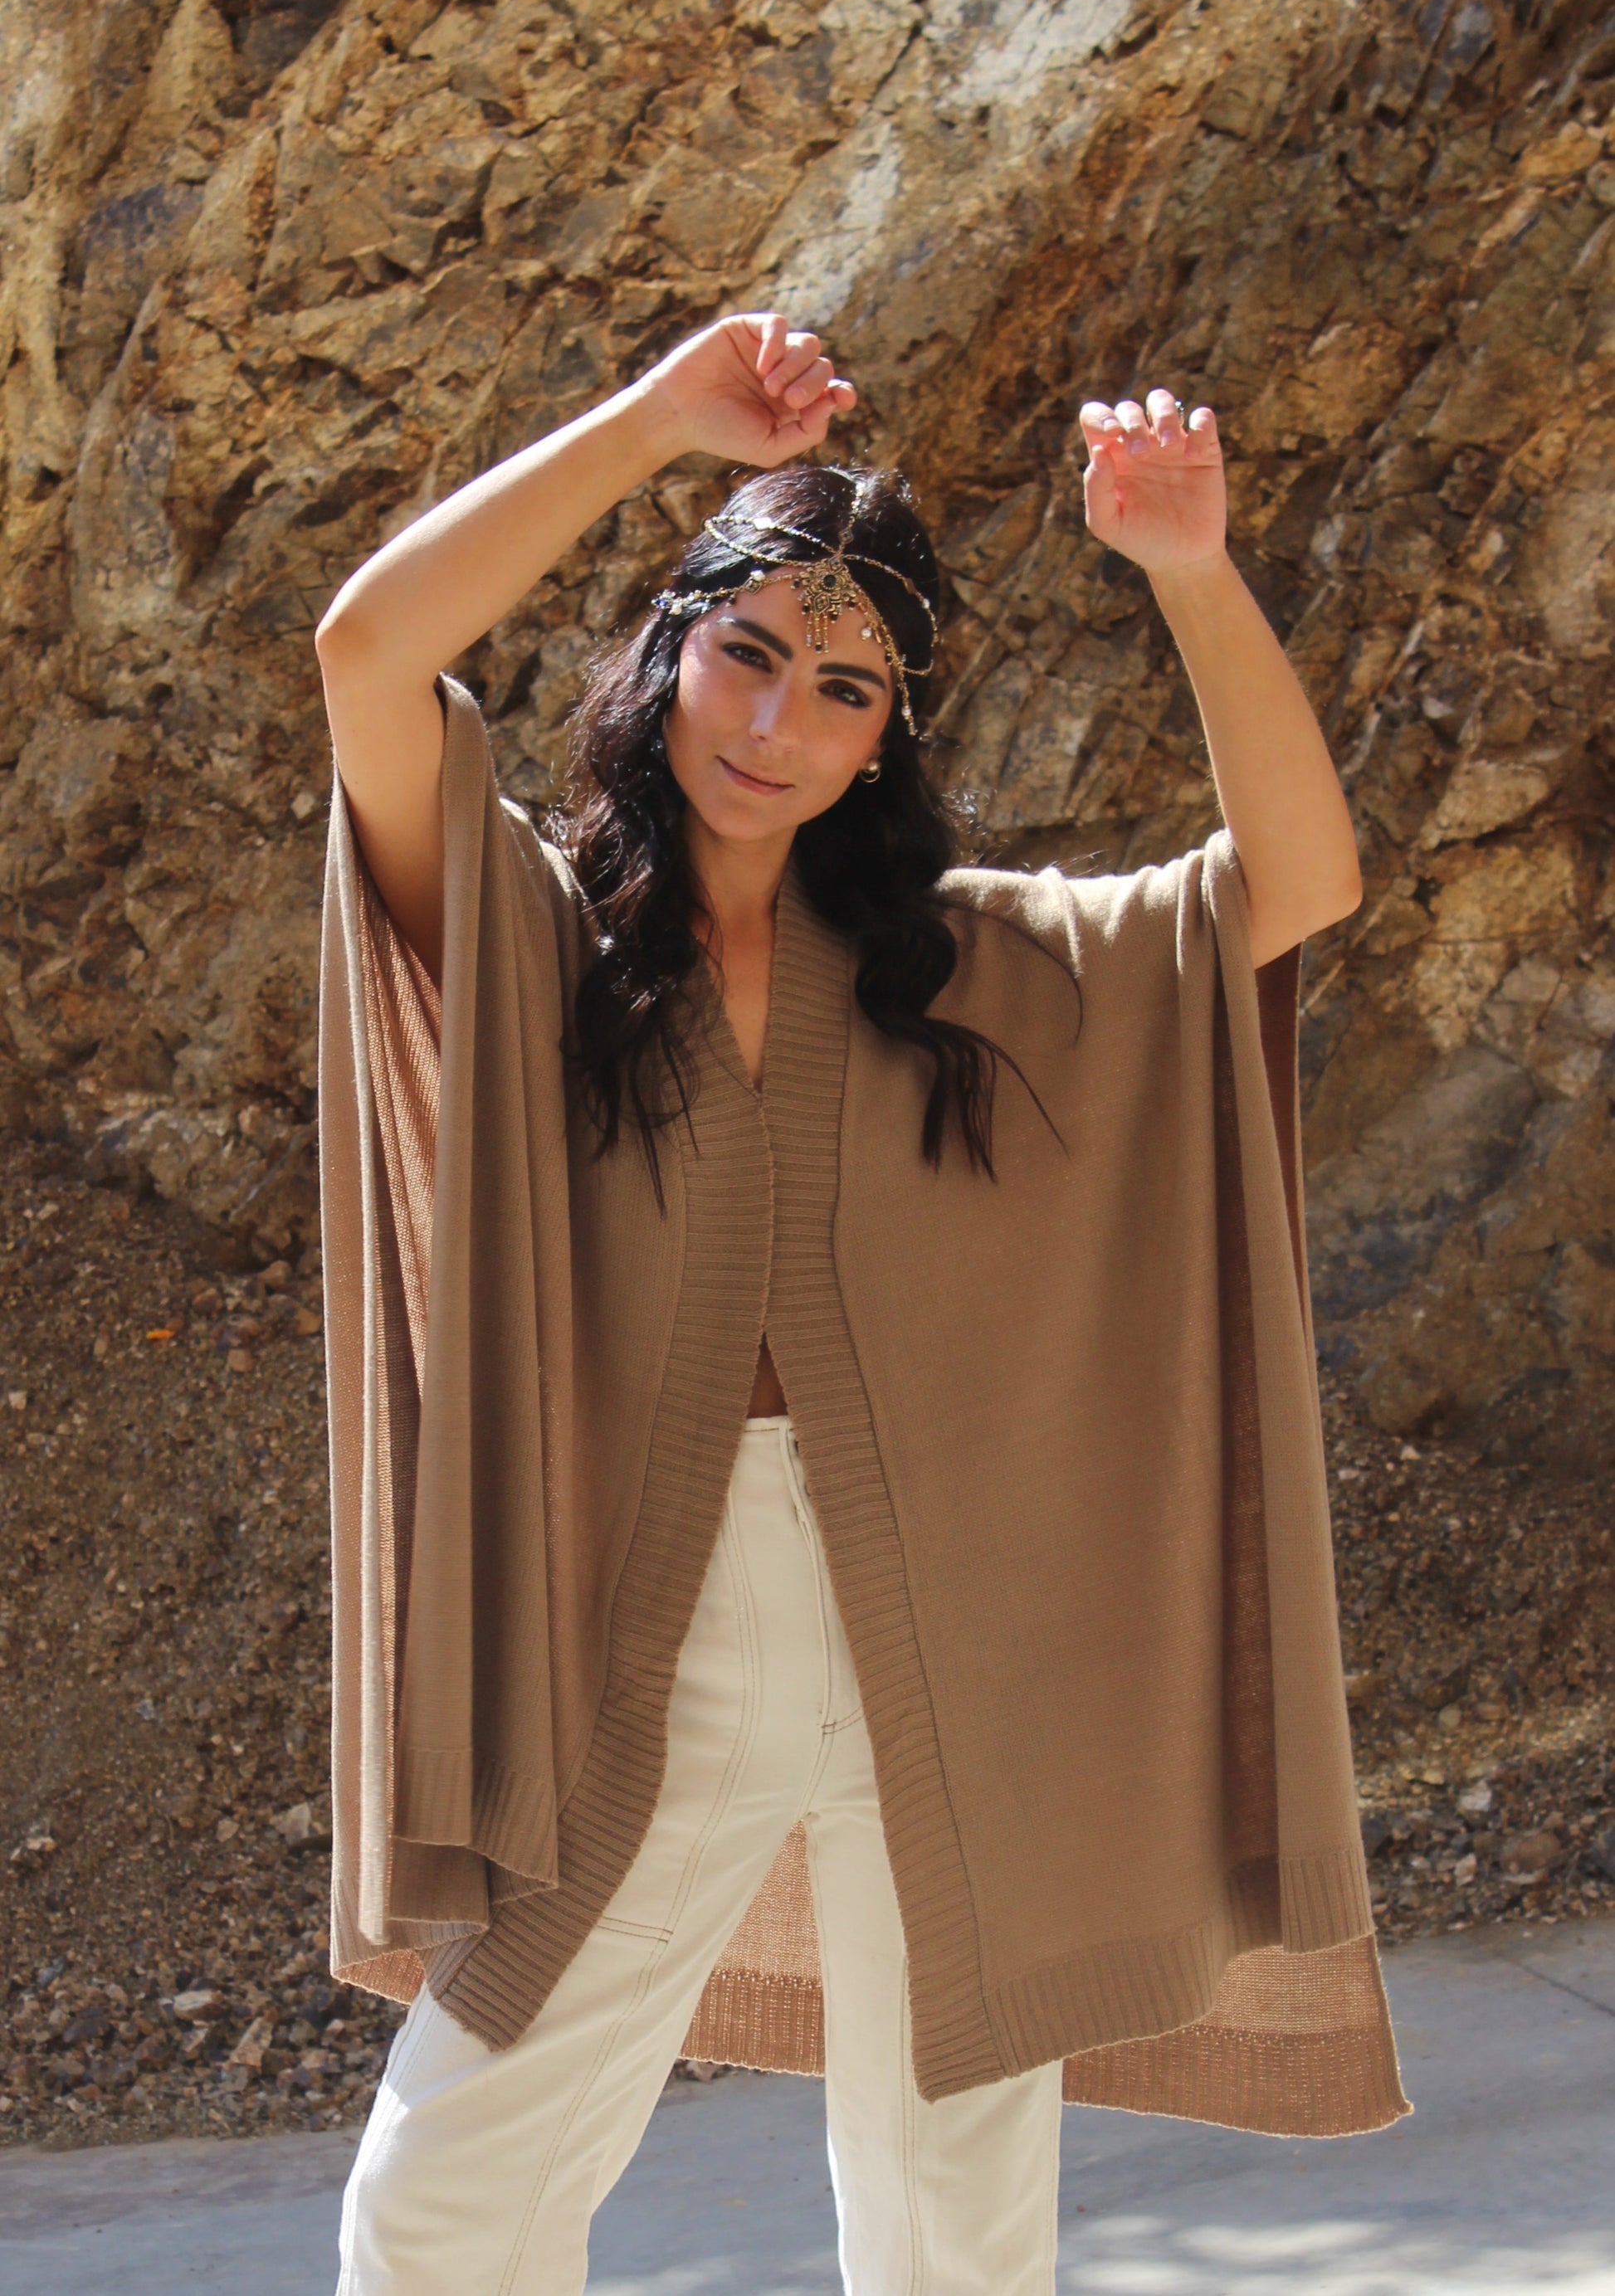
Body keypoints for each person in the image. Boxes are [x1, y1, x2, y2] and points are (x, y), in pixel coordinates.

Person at [313, 312, 1396, 2296]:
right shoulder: (540, 939)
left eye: (842, 687)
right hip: (658, 1643)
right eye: (744, 652)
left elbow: (1296, 879)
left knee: (955, 2221)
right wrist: (656, 421)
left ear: (886, 733)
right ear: (669, 649)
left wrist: (1188, 567)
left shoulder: (974, 970)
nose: (775, 722)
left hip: (964, 1642)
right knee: (446, 2190)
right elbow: (367, 654)